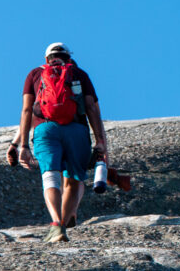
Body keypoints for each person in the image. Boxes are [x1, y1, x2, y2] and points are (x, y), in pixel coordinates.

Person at [6, 42, 108, 242]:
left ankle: (56, 224)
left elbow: (27, 110)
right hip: (76, 130)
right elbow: (91, 108)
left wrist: (21, 145)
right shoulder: (80, 74)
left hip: (45, 129)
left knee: (50, 176)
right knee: (74, 179)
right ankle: (65, 220)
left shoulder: (35, 74)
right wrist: (100, 141)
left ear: (47, 59)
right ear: (68, 58)